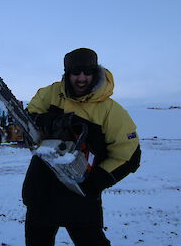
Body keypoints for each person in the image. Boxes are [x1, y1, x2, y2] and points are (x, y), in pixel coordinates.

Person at [22, 48, 141, 246]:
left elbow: (129, 155)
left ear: (95, 73)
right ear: (67, 74)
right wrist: (46, 120)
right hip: (42, 187)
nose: (81, 78)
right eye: (76, 72)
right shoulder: (52, 93)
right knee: (37, 240)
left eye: (87, 72)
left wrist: (95, 182)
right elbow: (29, 115)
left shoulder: (111, 111)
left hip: (80, 193)